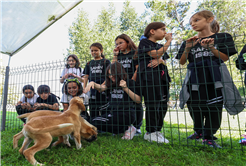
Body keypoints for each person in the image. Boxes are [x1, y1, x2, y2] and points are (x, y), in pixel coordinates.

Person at [176, 10, 243, 148]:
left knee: (214, 106)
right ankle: (199, 131)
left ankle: (208, 136)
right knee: (194, 105)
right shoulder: (189, 41)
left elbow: (224, 58)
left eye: (196, 20)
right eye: (191, 23)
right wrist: (187, 48)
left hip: (215, 78)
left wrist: (211, 48)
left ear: (210, 19)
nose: (192, 24)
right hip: (194, 77)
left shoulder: (223, 37)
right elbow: (182, 62)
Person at [84, 62, 141, 140]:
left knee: (94, 122)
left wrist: (125, 88)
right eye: (109, 74)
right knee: (92, 121)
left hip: (127, 114)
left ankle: (128, 128)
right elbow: (101, 88)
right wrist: (92, 83)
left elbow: (138, 100)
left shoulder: (129, 82)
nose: (111, 76)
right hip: (113, 114)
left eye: (113, 74)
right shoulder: (111, 83)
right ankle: (122, 130)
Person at [136, 22, 172, 143]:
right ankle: (150, 131)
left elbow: (163, 59)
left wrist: (160, 61)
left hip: (162, 78)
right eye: (162, 29)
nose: (165, 32)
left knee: (162, 104)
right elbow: (155, 54)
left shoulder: (160, 45)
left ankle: (157, 130)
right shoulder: (144, 43)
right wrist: (169, 42)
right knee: (152, 103)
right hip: (149, 78)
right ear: (152, 31)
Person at [113, 34, 143, 136]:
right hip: (122, 83)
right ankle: (127, 126)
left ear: (128, 42)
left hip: (133, 81)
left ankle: (137, 127)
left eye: (121, 43)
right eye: (117, 44)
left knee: (137, 104)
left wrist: (131, 81)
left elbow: (137, 68)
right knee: (125, 104)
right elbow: (113, 67)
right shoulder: (119, 55)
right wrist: (115, 55)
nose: (118, 45)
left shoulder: (135, 53)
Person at [83, 43, 111, 120]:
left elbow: (108, 75)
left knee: (103, 106)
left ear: (101, 51)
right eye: (92, 51)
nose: (93, 52)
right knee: (93, 107)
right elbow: (86, 76)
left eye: (96, 50)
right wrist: (84, 87)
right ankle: (94, 124)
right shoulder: (89, 63)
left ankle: (104, 124)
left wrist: (102, 85)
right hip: (92, 89)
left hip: (102, 87)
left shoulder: (106, 61)